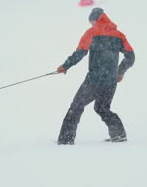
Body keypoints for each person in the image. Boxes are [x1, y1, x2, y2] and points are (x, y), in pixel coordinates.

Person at [56, 8, 135, 145]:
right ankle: (119, 134)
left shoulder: (92, 32)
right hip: (110, 81)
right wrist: (120, 72)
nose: (91, 24)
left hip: (95, 80)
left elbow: (80, 52)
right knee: (102, 107)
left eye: (91, 22)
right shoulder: (119, 35)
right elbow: (131, 56)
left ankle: (66, 139)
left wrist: (65, 66)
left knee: (76, 106)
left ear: (95, 19)